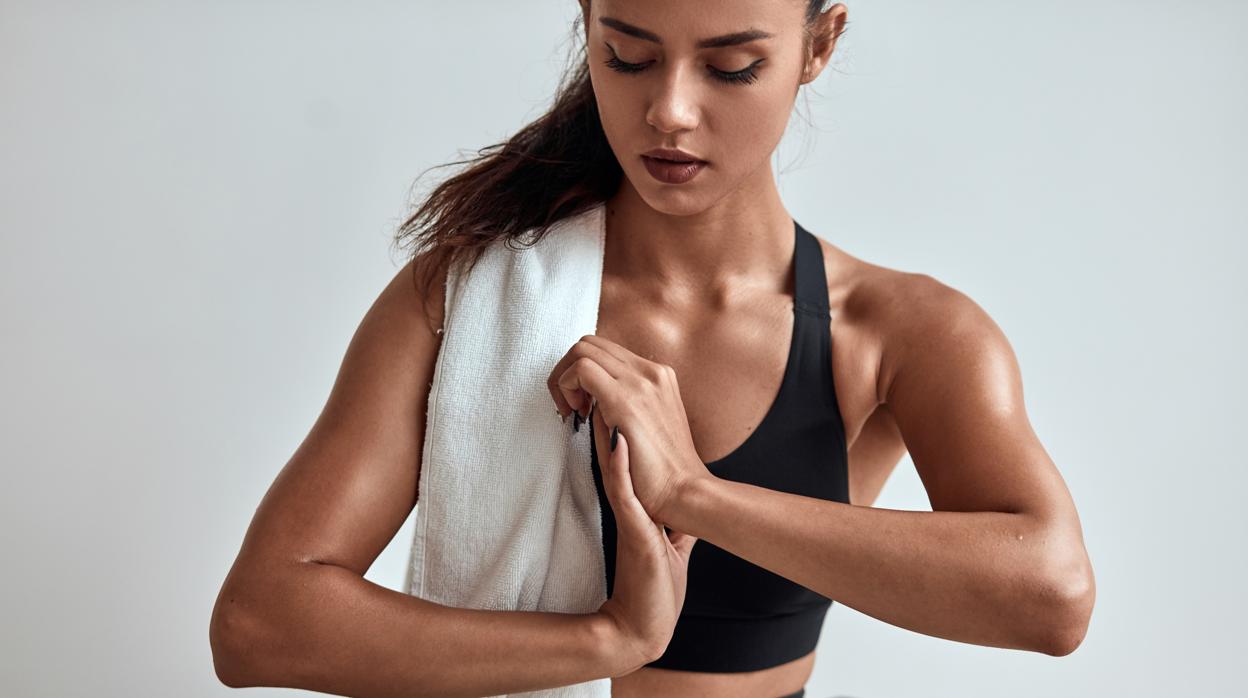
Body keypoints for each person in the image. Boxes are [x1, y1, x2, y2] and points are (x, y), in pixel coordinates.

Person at [209, 1, 1096, 696]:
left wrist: (696, 496)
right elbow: (259, 625)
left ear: (818, 47)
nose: (669, 110)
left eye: (733, 66)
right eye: (627, 56)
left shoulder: (897, 333)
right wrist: (607, 639)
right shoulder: (464, 300)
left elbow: (1052, 597)